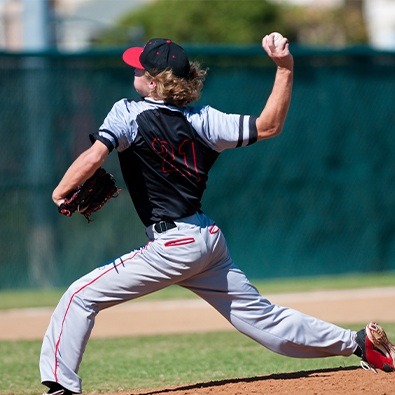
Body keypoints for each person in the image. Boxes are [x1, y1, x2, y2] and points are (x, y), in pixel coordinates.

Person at [40, 36, 395, 395]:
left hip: (172, 245)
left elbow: (94, 157)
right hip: (206, 239)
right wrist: (285, 68)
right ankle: (357, 342)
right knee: (263, 320)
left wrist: (58, 193)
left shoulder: (127, 112)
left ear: (154, 81)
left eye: (140, 66)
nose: (134, 69)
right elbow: (269, 125)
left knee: (79, 296)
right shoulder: (204, 121)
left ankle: (60, 387)